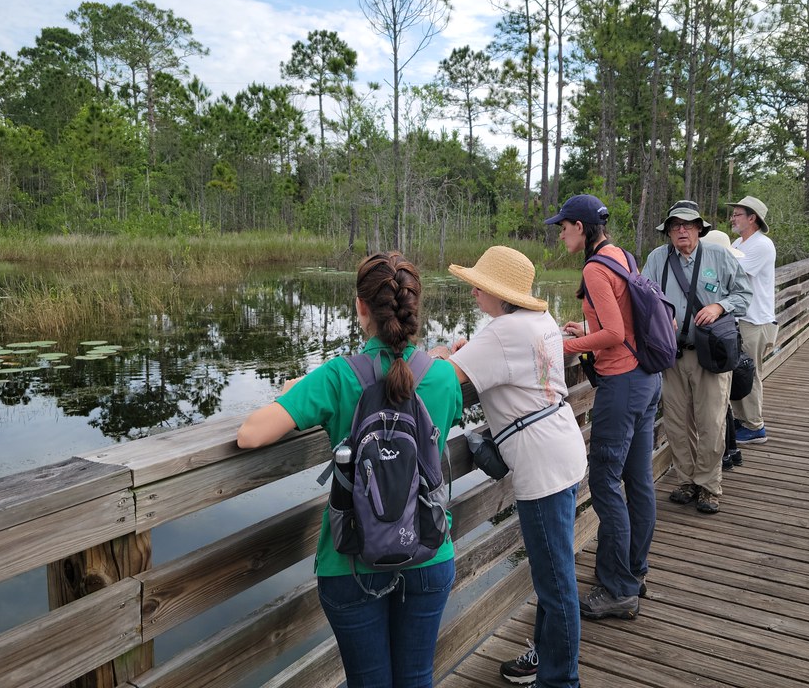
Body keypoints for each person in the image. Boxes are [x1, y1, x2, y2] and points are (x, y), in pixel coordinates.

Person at [236, 252, 463, 688]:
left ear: (361, 308)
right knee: (417, 678)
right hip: (430, 553)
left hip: (350, 561)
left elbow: (250, 435)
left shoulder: (337, 376)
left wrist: (295, 391)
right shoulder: (444, 377)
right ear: (414, 308)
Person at [430, 245, 587, 688]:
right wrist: (468, 349)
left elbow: (443, 378)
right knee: (555, 573)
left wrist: (444, 350)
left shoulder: (501, 334)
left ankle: (561, 680)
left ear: (500, 295)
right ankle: (546, 658)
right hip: (562, 449)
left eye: (480, 285)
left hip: (542, 467)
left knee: (555, 584)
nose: (474, 290)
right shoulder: (540, 321)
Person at [544, 194, 661, 621]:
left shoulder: (595, 268)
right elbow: (622, 321)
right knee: (638, 478)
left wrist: (566, 343)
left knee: (607, 480)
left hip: (624, 382)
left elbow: (613, 333)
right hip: (648, 378)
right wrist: (586, 327)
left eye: (563, 226)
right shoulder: (621, 254)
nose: (560, 233)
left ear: (580, 226)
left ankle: (618, 589)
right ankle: (634, 571)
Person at [643, 200, 752, 515]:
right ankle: (687, 480)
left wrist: (719, 307)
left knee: (711, 422)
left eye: (688, 225)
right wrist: (659, 314)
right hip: (671, 355)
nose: (681, 230)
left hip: (710, 355)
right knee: (677, 423)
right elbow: (642, 296)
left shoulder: (718, 256)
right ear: (668, 231)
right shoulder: (657, 259)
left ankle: (709, 486)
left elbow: (744, 295)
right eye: (675, 225)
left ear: (699, 229)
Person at [726, 196, 777, 446]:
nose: (732, 218)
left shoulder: (762, 245)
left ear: (752, 218)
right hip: (741, 318)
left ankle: (755, 426)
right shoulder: (738, 242)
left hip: (755, 320)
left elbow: (736, 272)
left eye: (737, 214)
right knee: (737, 371)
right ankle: (741, 419)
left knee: (749, 372)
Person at [700, 229, 746, 470]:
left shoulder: (719, 266)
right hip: (729, 340)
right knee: (723, 404)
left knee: (719, 406)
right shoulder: (729, 265)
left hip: (718, 344)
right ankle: (732, 451)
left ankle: (726, 454)